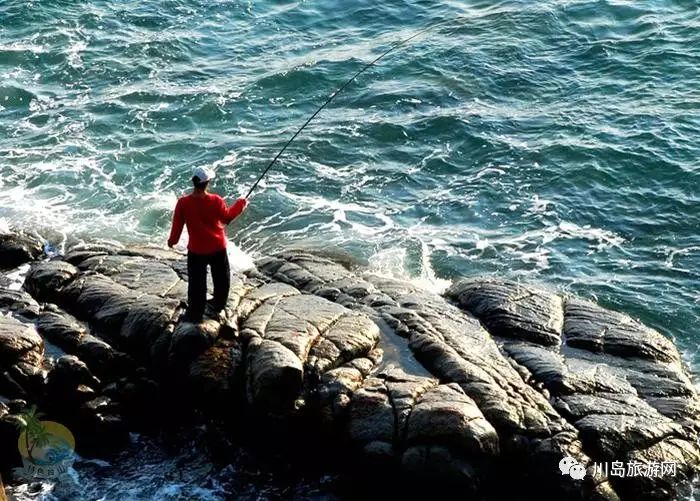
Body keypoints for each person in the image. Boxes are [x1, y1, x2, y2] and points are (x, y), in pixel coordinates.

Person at [168, 166, 248, 323]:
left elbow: (177, 227)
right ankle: (218, 305)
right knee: (221, 279)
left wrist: (172, 242)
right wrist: (240, 204)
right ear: (207, 183)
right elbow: (227, 218)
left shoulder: (183, 203)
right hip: (218, 246)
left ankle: (195, 314)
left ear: (193, 182)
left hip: (197, 250)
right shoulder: (216, 200)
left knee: (197, 283)